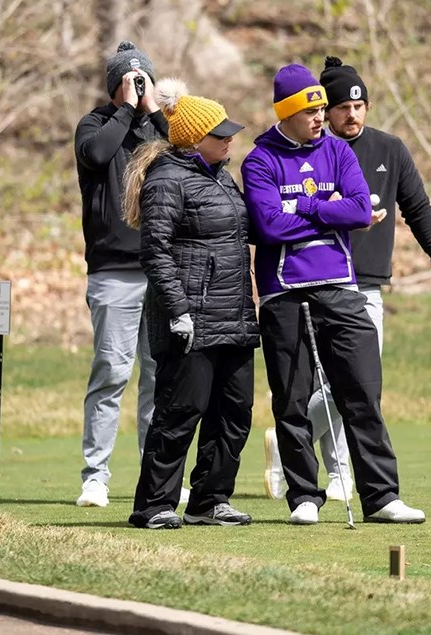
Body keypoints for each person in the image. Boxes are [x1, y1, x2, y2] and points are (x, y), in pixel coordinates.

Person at [260, 57, 431, 503]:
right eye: (340, 108)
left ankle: (309, 456)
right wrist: (327, 208)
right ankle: (333, 471)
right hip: (311, 280)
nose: (350, 115)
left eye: (359, 106)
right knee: (318, 383)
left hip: (366, 281)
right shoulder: (318, 151)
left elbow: (416, 208)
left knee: (354, 384)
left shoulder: (390, 149)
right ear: (326, 112)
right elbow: (274, 219)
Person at [241, 63, 425, 525]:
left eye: (323, 108)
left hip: (342, 288)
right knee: (292, 399)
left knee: (362, 392)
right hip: (285, 293)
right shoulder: (259, 160)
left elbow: (361, 210)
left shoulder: (340, 153)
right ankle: (304, 496)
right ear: (286, 113)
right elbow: (267, 226)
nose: (320, 118)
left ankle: (381, 498)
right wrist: (331, 210)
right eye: (311, 111)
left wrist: (301, 205)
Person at [122, 79, 258, 529]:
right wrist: (178, 309)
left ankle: (209, 500)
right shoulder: (166, 181)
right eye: (221, 135)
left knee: (233, 415)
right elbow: (155, 251)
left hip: (234, 316)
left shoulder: (222, 177)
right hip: (191, 320)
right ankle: (154, 506)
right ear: (196, 140)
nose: (229, 139)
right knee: (180, 413)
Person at [73, 41, 189, 508]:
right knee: (111, 374)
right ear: (115, 84)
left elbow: (184, 154)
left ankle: (155, 476)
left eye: (142, 79)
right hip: (113, 272)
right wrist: (123, 108)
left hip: (159, 269)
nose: (137, 85)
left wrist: (152, 107)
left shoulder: (158, 131)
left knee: (158, 379)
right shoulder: (95, 124)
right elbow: (98, 156)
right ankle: (95, 477)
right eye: (131, 79)